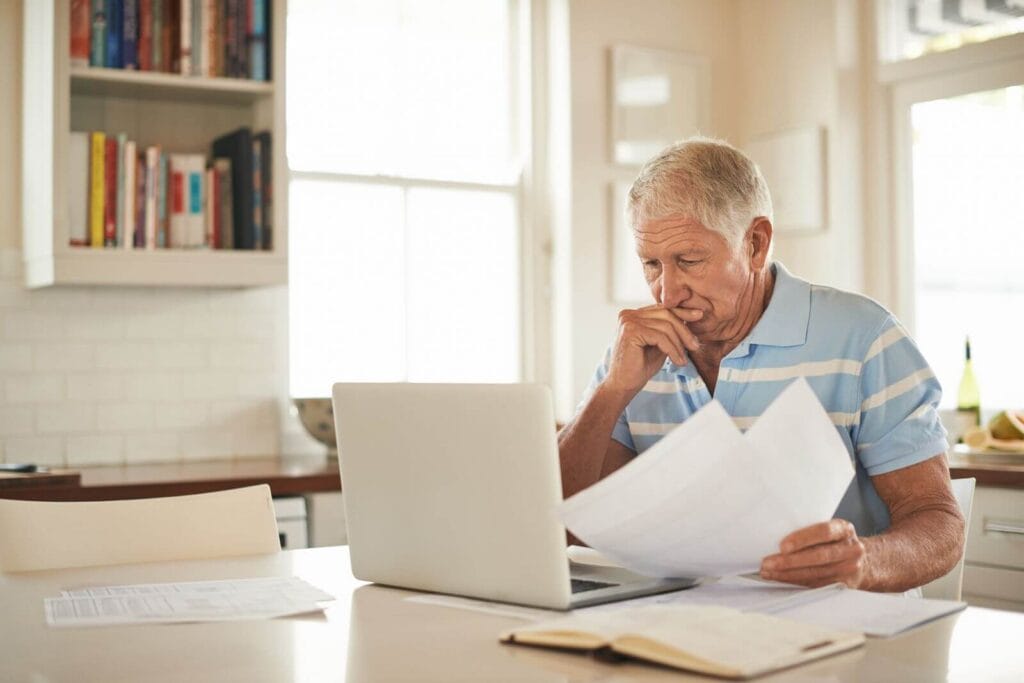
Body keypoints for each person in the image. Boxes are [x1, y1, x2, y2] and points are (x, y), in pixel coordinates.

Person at [558, 137, 964, 592]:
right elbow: (565, 529)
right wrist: (611, 393)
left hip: (840, 632)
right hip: (684, 632)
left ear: (755, 243)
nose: (666, 292)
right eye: (651, 264)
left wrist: (864, 562)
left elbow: (940, 525)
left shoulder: (865, 338)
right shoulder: (634, 352)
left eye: (689, 261)